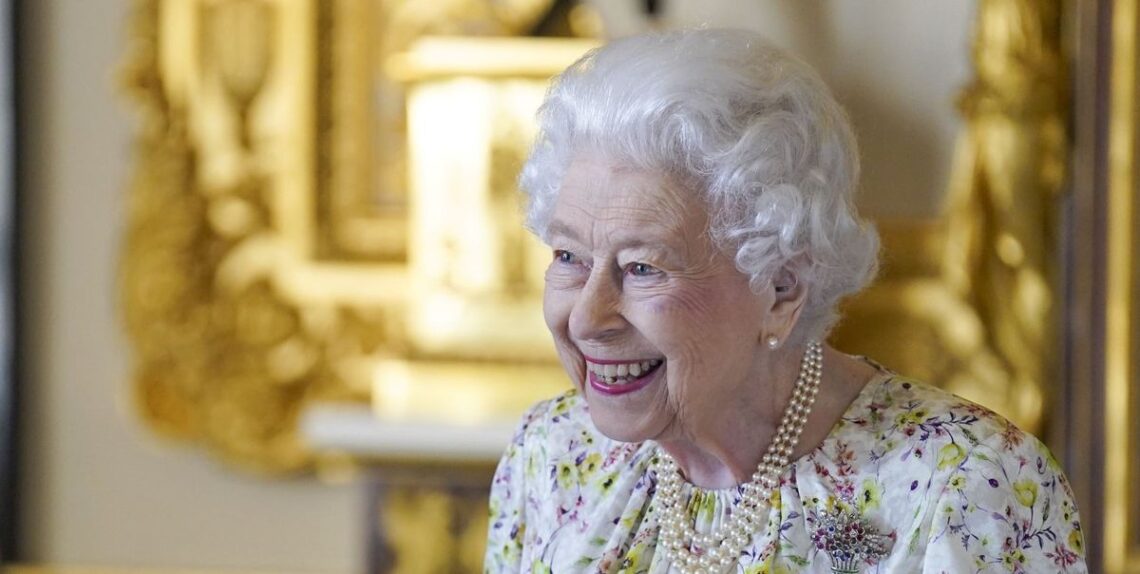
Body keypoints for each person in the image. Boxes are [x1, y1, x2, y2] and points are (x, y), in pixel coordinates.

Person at [483, 28, 1085, 573]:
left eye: (642, 269)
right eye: (568, 258)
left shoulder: (965, 488)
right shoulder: (554, 457)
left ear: (780, 290)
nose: (587, 317)